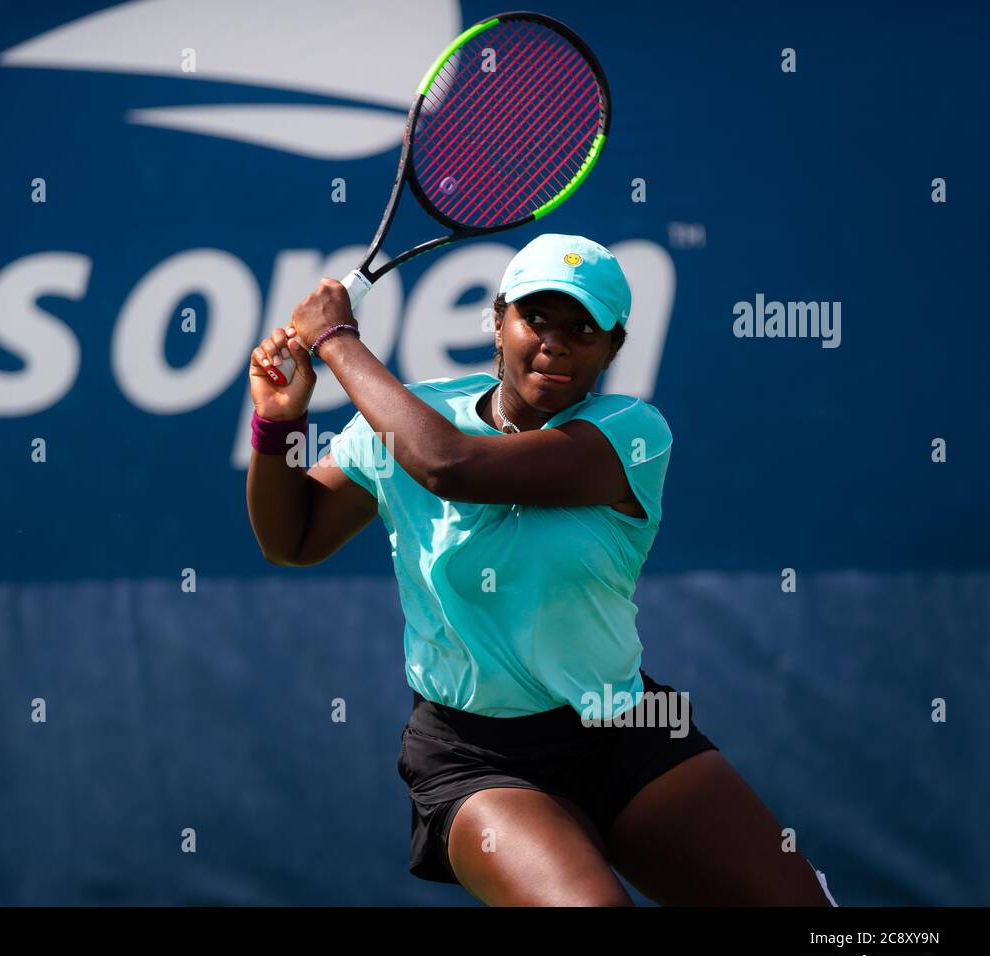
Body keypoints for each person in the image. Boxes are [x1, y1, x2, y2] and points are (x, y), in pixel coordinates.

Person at [244, 233, 836, 907]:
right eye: (537, 319)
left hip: (627, 728)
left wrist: (337, 340)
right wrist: (279, 425)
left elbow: (452, 468)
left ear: (614, 348)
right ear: (497, 321)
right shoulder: (409, 417)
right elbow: (292, 539)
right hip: (478, 759)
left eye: (584, 329)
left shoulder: (631, 433)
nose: (555, 343)